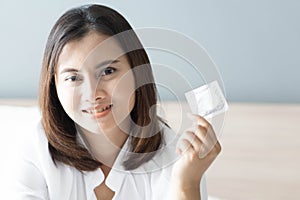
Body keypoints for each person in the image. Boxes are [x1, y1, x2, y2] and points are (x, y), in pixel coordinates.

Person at [16, 4, 221, 200]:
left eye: (108, 72)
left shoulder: (176, 159)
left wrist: (187, 183)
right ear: (54, 86)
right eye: (73, 78)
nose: (93, 94)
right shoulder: (36, 148)